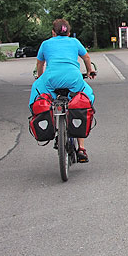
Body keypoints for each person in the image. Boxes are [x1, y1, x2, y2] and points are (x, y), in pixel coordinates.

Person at [30, 19, 96, 163]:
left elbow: (40, 64)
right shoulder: (74, 42)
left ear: (53, 32)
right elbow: (86, 57)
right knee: (83, 100)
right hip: (73, 79)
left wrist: (41, 78)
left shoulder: (46, 44)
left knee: (38, 93)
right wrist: (90, 71)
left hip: (51, 80)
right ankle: (82, 149)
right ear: (69, 32)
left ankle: (50, 125)